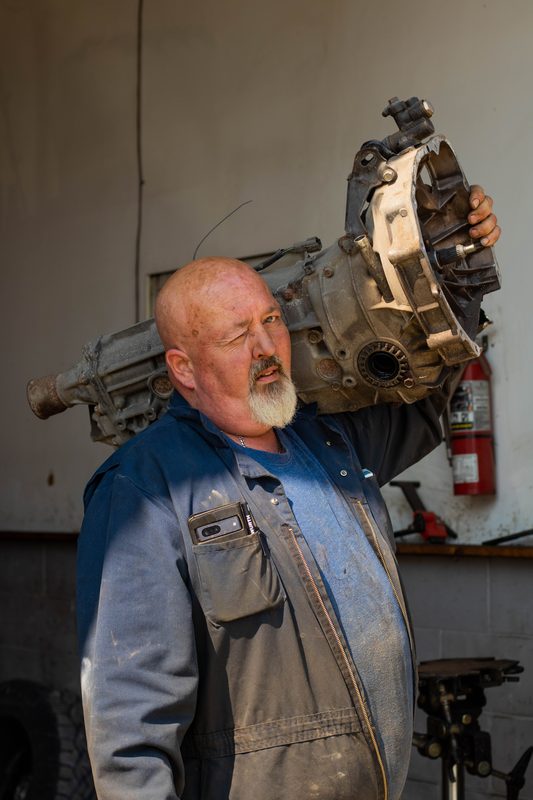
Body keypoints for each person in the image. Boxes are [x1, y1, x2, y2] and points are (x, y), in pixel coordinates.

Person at [77, 188, 499, 800]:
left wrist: (462, 268)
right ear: (184, 369)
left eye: (270, 320)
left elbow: (429, 401)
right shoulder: (146, 488)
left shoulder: (329, 443)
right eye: (233, 336)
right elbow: (129, 727)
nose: (265, 348)